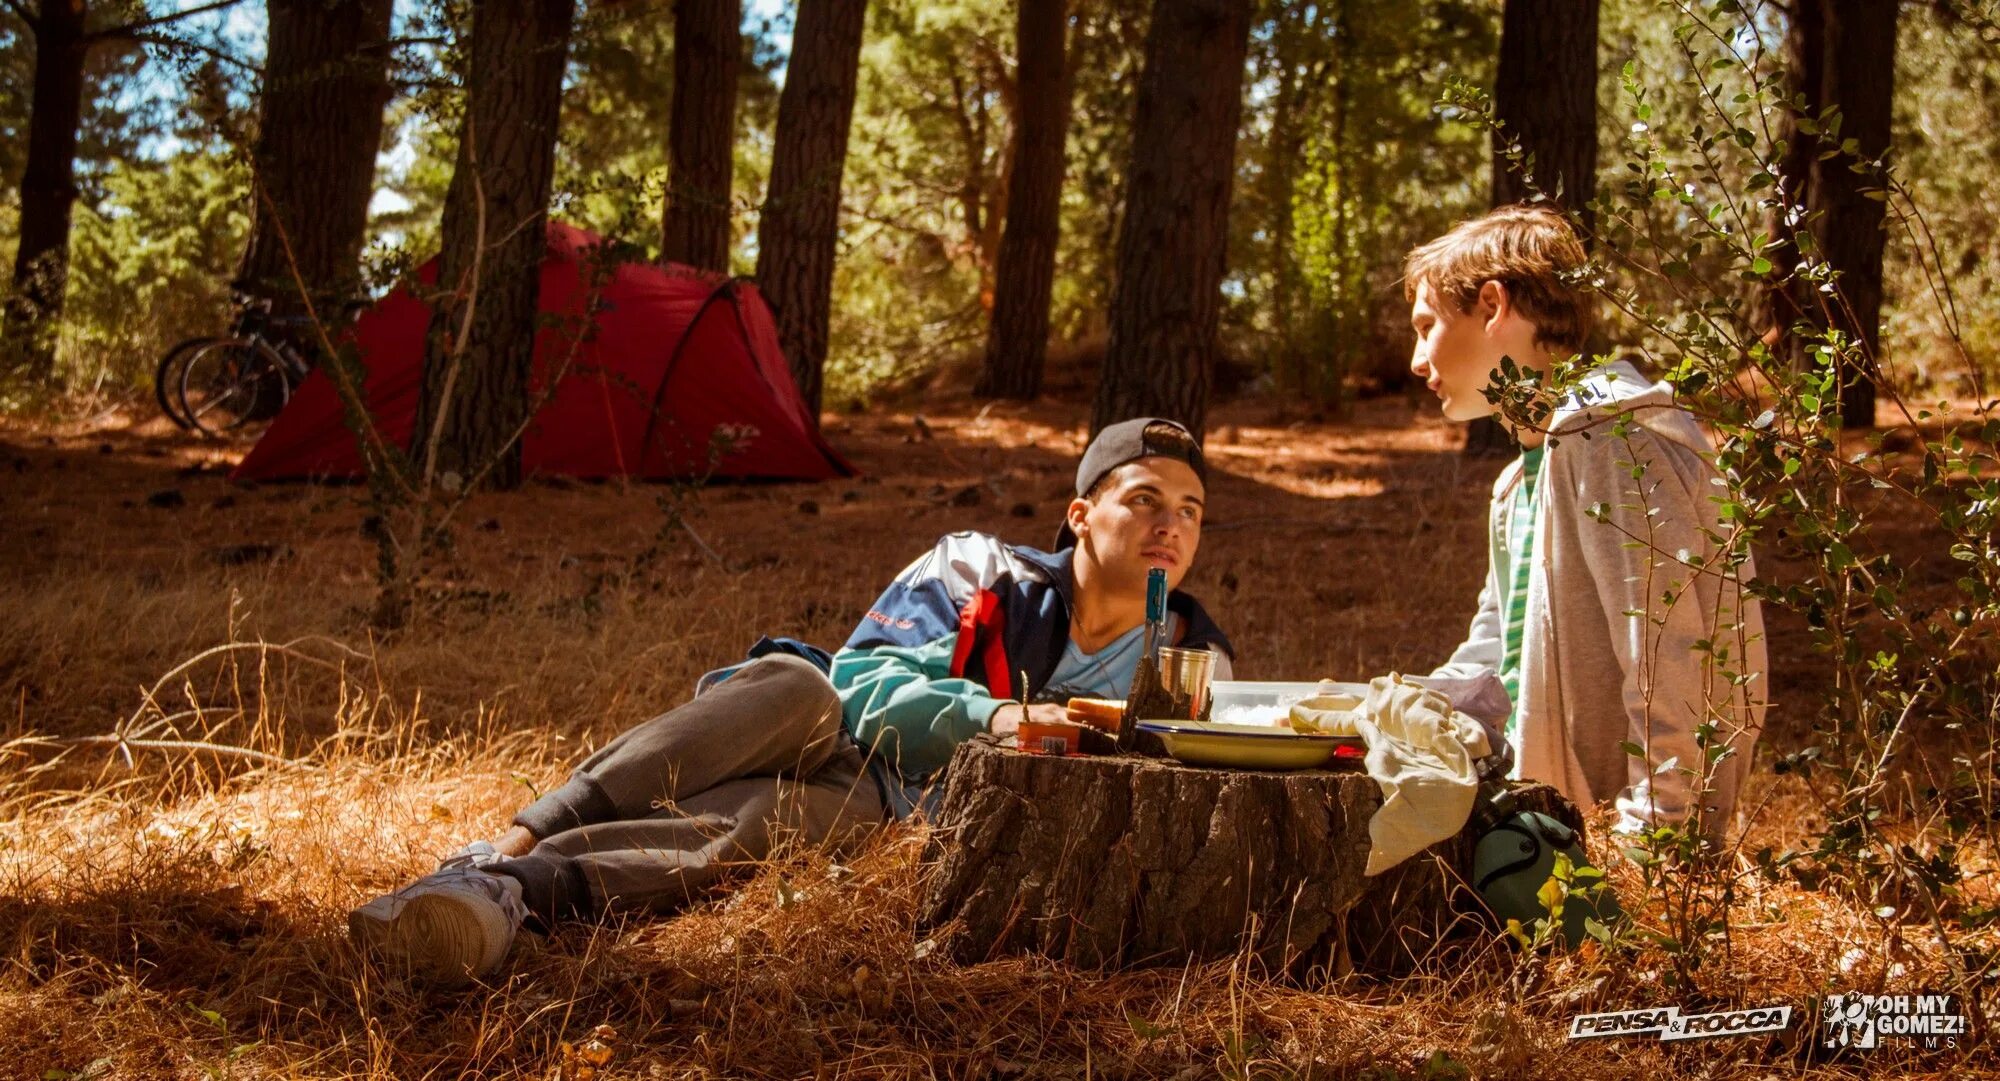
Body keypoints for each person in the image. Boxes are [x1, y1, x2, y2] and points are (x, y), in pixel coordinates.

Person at [349, 417, 1235, 983]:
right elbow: (863, 683)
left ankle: (504, 895)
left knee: (758, 829)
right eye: (1146, 498)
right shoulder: (982, 570)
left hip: (888, 798)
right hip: (818, 722)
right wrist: (1002, 718)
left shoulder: (1194, 658)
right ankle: (516, 834)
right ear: (1081, 515)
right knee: (799, 685)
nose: (1170, 526)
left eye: (1191, 511)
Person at [1403, 204, 1766, 845]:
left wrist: (1654, 843)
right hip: (1539, 827)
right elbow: (1498, 650)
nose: (1416, 359)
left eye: (1427, 326)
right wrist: (1389, 710)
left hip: (1614, 851)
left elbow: (1669, 655)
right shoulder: (1522, 476)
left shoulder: (1613, 439)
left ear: (1492, 306)